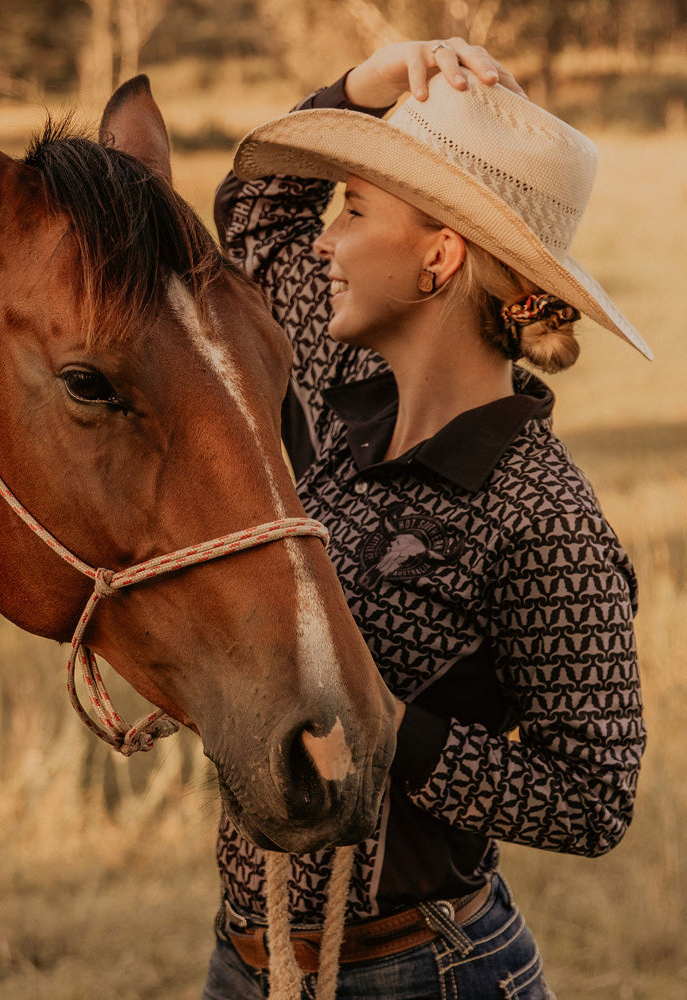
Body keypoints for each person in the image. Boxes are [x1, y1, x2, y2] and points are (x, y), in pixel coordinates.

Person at [203, 39, 648, 1000]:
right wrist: (374, 80)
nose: (325, 239)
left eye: (354, 210)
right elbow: (254, 213)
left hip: (420, 974)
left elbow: (596, 797)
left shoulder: (542, 514)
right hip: (249, 961)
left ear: (440, 257)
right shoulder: (338, 392)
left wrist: (393, 731)